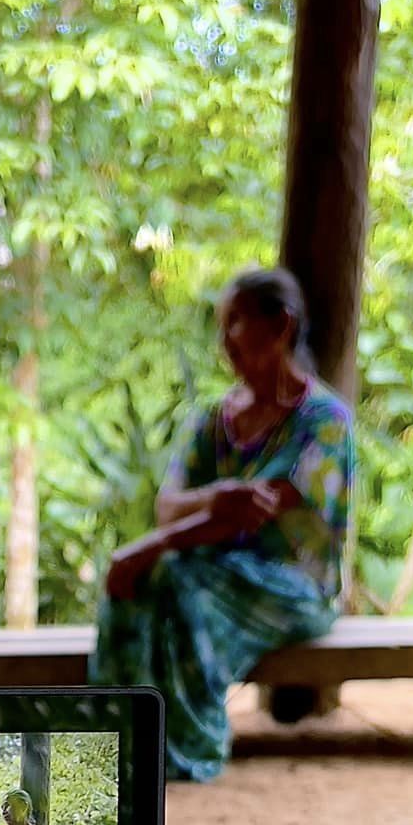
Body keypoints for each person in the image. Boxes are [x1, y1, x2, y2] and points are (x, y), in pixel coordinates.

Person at [90, 267, 355, 782]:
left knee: (175, 577)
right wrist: (213, 499)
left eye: (235, 322)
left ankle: (191, 749)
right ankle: (119, 740)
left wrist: (147, 549)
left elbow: (248, 516)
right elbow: (170, 506)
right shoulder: (214, 418)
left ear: (280, 326)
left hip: (295, 588)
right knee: (131, 588)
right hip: (213, 567)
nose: (224, 339)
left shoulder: (323, 421)